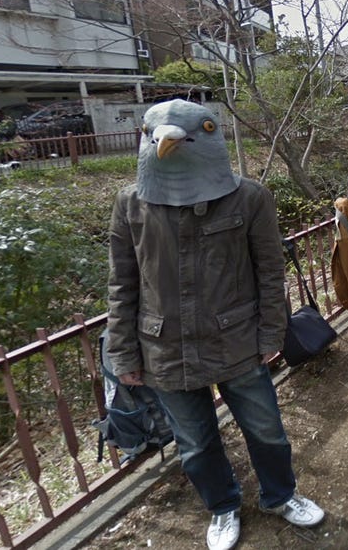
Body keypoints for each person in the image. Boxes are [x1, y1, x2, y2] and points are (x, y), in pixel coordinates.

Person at [106, 99, 325, 550]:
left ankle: (282, 495)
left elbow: (269, 271)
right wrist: (124, 354)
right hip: (165, 348)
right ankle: (223, 507)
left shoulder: (250, 198)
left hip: (237, 340)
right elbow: (122, 283)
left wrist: (270, 333)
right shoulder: (131, 204)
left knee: (266, 430)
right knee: (196, 443)